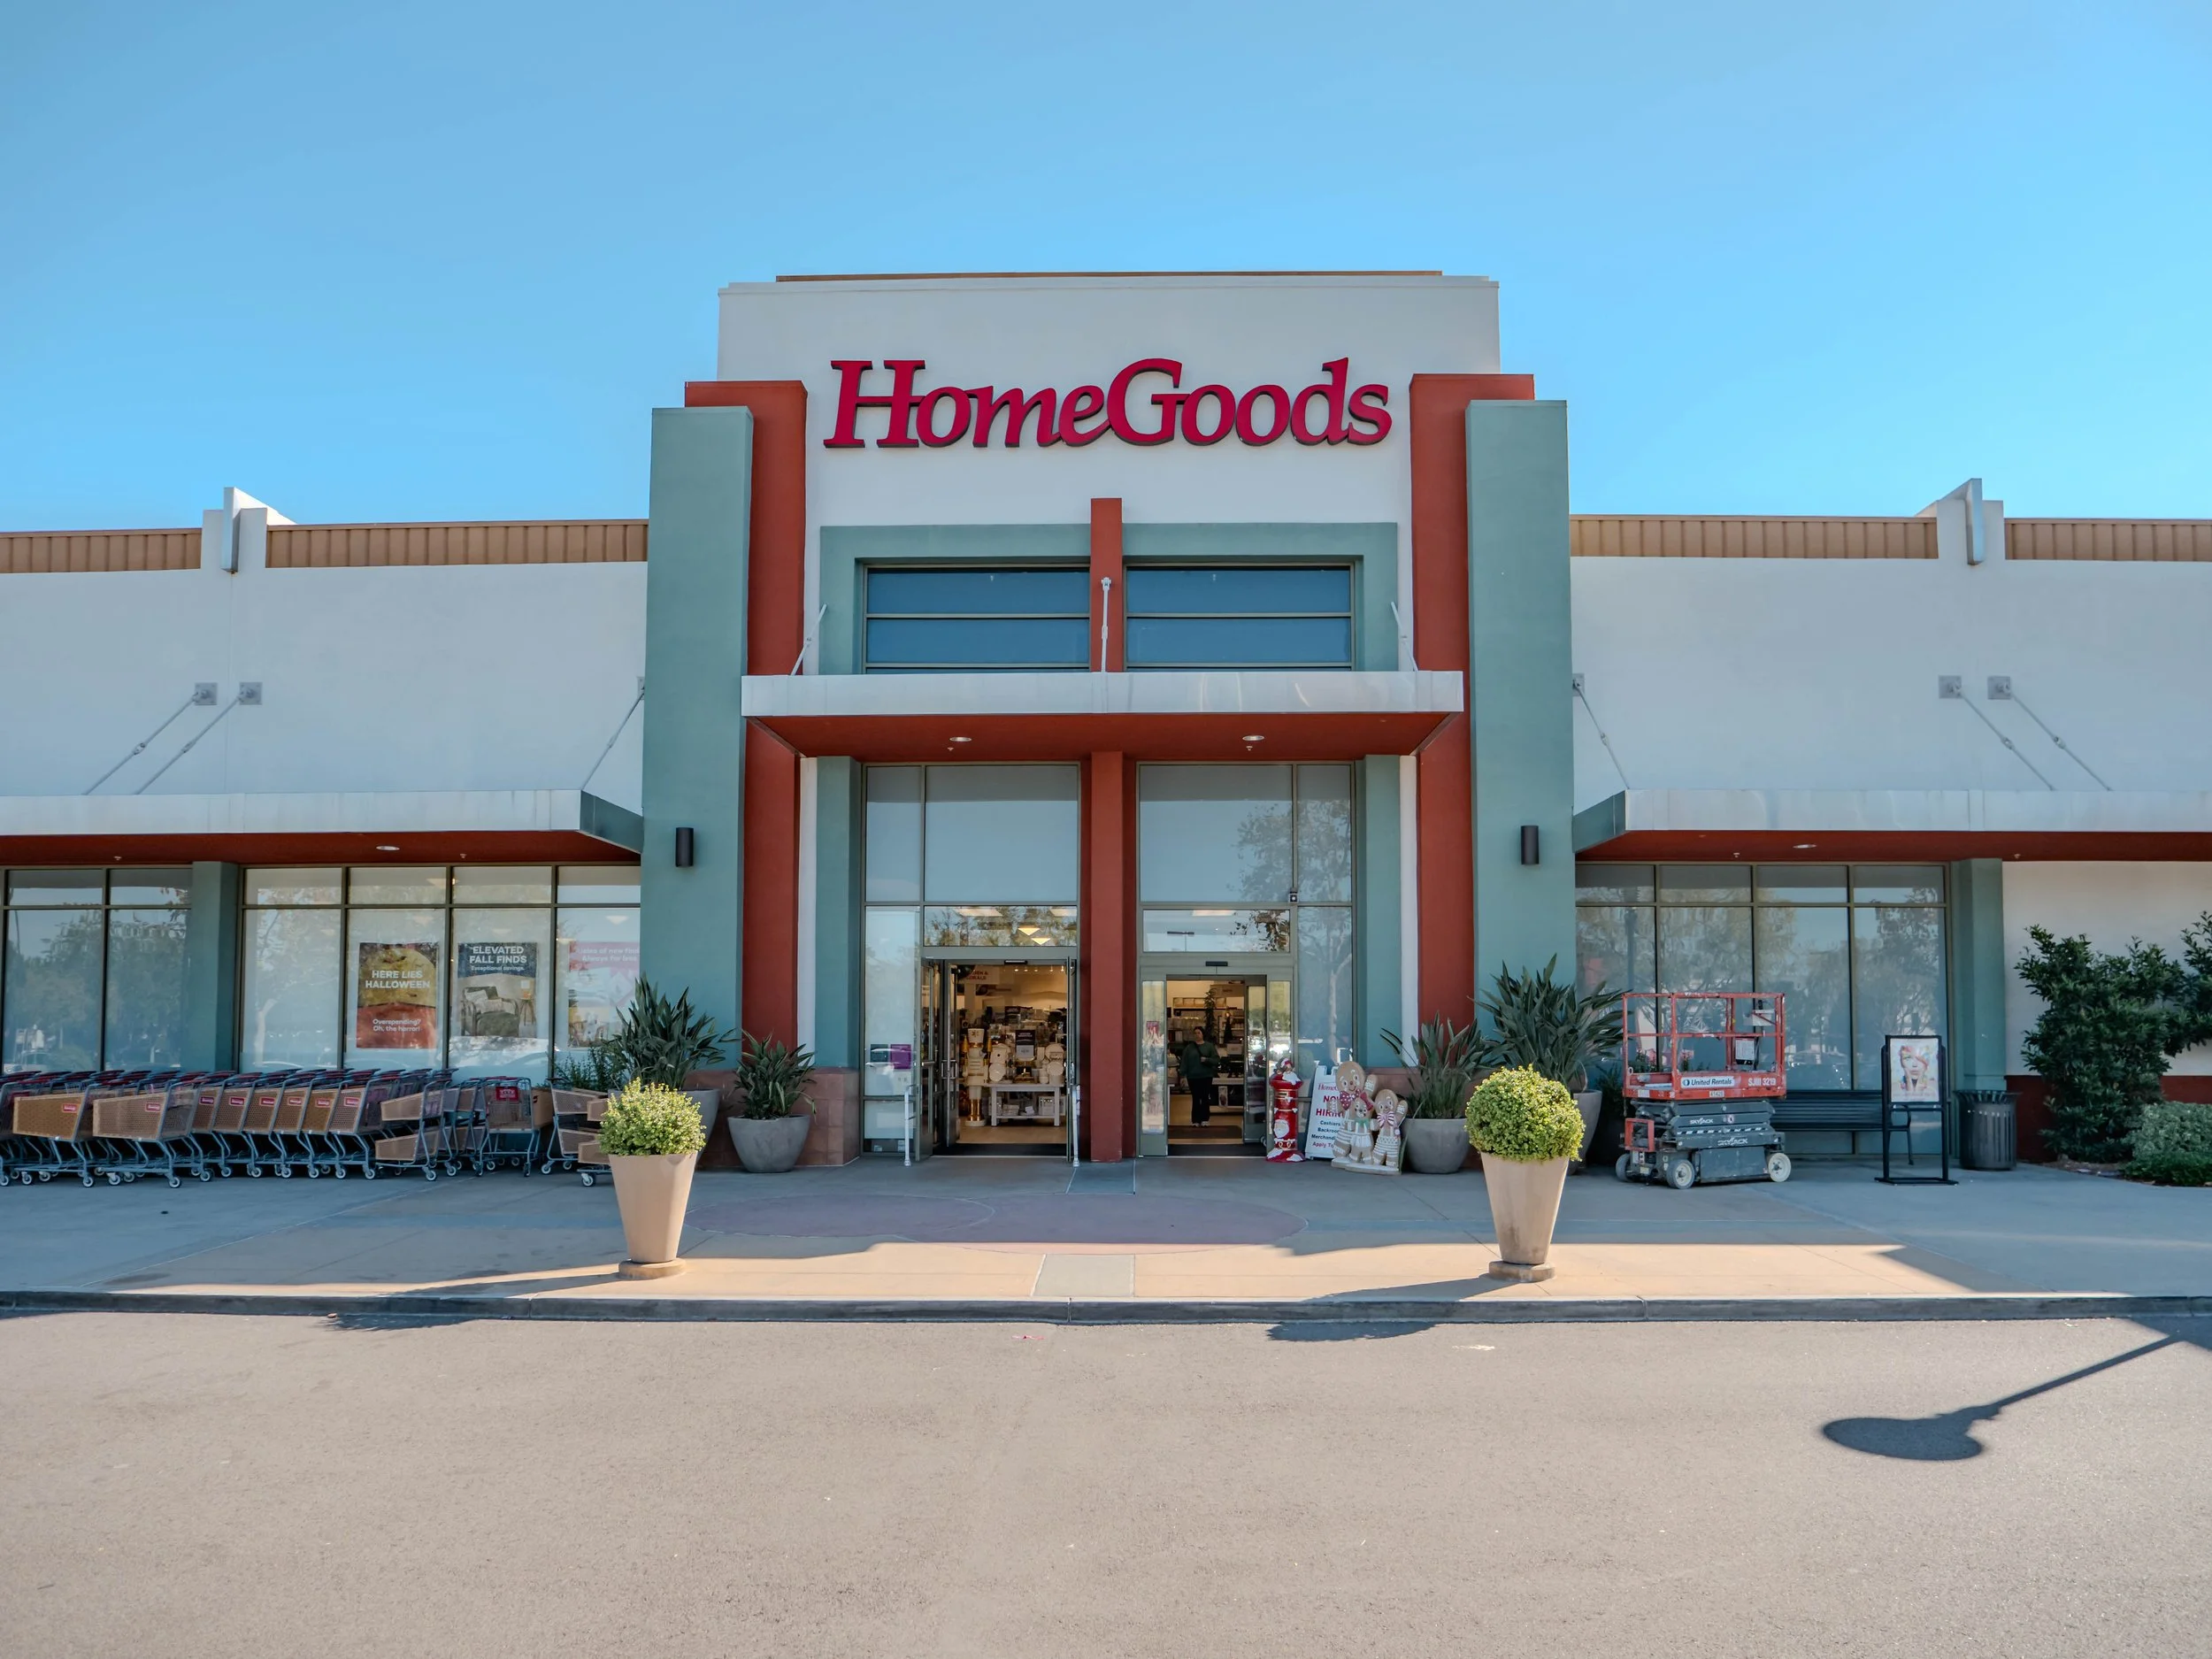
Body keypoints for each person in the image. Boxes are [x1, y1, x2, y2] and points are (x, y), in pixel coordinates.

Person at [1179, 1027, 1221, 1125]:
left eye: (1199, 1033)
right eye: (1195, 1033)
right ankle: (1196, 1119)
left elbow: (1216, 1060)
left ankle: (1205, 1119)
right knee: (1196, 1098)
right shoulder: (1189, 1048)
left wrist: (1206, 1060)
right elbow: (1184, 1062)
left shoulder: (1209, 1047)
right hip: (1193, 1077)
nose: (1197, 1035)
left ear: (1203, 1034)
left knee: (1205, 1097)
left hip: (1206, 1076)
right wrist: (1182, 1076)